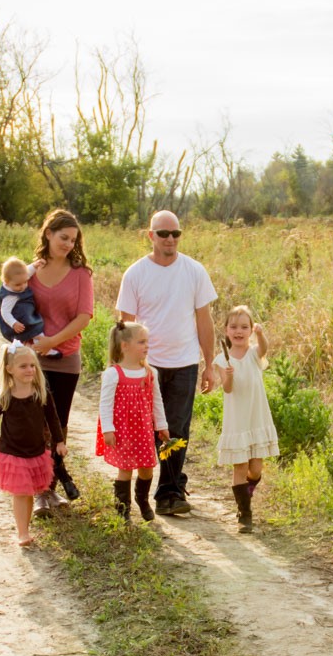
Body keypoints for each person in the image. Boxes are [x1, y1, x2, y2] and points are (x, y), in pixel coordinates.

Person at [115, 210, 217, 516]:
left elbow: (204, 320)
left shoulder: (194, 271)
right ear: (150, 236)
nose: (170, 239)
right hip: (146, 367)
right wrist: (124, 366)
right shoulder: (135, 273)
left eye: (176, 233)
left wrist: (209, 364)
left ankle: (169, 492)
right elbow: (125, 324)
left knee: (176, 429)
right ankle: (133, 493)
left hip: (184, 363)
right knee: (143, 429)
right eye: (163, 234)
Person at [27, 209, 94, 510]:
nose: (68, 244)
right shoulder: (30, 272)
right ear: (48, 234)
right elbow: (12, 306)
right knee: (34, 422)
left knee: (57, 425)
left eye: (73, 240)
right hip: (32, 361)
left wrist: (53, 341)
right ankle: (35, 488)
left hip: (66, 360)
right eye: (63, 237)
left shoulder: (81, 274)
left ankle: (49, 488)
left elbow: (84, 317)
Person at [0, 342, 66, 546]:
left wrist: (59, 441)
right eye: (23, 366)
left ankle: (25, 527)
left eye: (32, 365)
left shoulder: (40, 393)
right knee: (21, 493)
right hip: (13, 452)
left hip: (36, 451)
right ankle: (22, 532)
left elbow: (53, 418)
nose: (29, 370)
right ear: (9, 369)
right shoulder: (6, 396)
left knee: (28, 493)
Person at [211, 305, 279, 533]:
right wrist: (228, 377)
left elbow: (264, 350)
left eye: (244, 327)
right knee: (239, 465)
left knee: (256, 468)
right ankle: (244, 514)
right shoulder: (223, 359)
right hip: (237, 418)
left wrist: (261, 334)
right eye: (233, 327)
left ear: (250, 330)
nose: (238, 331)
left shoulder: (252, 353)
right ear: (226, 330)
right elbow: (228, 390)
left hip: (256, 415)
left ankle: (248, 488)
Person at [96, 320, 169, 523]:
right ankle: (123, 509)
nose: (146, 346)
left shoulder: (150, 373)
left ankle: (142, 499)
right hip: (123, 430)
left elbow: (157, 402)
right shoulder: (113, 373)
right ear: (125, 346)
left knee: (147, 467)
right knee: (125, 469)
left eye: (147, 342)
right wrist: (108, 429)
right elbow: (105, 404)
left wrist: (161, 426)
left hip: (144, 429)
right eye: (141, 342)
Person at [0, 257, 56, 354]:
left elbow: (28, 271)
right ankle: (38, 347)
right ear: (6, 282)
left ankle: (35, 345)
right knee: (32, 326)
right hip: (18, 317)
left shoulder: (19, 278)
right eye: (18, 285)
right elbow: (4, 312)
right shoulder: (9, 296)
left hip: (25, 307)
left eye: (25, 282)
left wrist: (35, 265)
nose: (23, 286)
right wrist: (13, 323)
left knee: (35, 325)